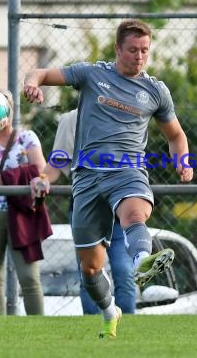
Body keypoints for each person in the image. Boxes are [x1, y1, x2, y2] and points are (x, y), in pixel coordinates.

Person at [24, 19, 194, 338]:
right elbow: (43, 74)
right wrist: (31, 81)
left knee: (134, 213)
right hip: (87, 180)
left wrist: (183, 161)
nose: (139, 56)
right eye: (132, 50)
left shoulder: (155, 91)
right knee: (90, 269)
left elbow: (176, 135)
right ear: (117, 48)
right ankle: (109, 311)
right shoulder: (92, 75)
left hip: (127, 170)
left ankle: (144, 261)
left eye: (145, 50)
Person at [33, 108, 136, 315]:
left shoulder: (124, 113)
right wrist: (43, 178)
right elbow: (57, 162)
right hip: (86, 205)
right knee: (89, 271)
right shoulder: (71, 119)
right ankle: (93, 325)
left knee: (124, 271)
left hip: (118, 204)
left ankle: (128, 326)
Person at [0, 89, 47, 316]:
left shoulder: (27, 137)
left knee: (29, 278)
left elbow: (39, 170)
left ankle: (39, 332)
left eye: (3, 104)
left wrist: (6, 177)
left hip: (22, 213)